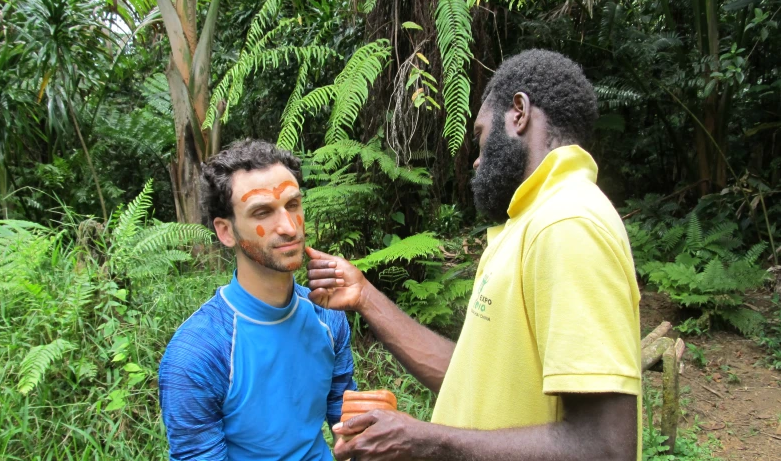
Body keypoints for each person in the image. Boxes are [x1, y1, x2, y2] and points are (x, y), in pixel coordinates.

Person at [305, 49, 642, 461]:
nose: (477, 159)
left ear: (518, 113)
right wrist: (363, 296)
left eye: (480, 136)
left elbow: (605, 448)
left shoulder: (567, 224)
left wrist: (424, 440)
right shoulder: (530, 222)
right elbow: (471, 375)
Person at [158, 139, 357, 460]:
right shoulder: (197, 354)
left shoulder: (329, 316)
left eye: (293, 205)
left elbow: (345, 415)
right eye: (262, 212)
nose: (289, 227)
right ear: (226, 231)